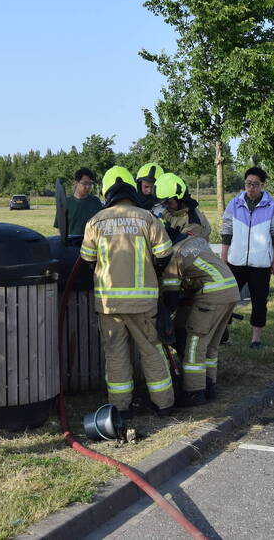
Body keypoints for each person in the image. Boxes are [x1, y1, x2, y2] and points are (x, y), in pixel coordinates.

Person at [80, 166, 175, 418]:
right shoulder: (147, 218)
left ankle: (120, 408)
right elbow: (165, 253)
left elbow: (87, 259)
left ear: (107, 191)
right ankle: (163, 404)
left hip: (109, 304)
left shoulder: (95, 221)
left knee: (115, 354)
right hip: (143, 303)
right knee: (151, 350)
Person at [161, 229, 240, 407]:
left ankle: (194, 392)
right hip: (231, 290)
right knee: (211, 345)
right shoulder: (195, 241)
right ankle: (209, 385)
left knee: (194, 345)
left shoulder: (174, 256)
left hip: (212, 296)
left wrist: (165, 318)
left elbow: (171, 299)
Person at [220, 167, 274, 349]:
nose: (251, 188)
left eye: (255, 184)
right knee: (227, 299)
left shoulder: (272, 206)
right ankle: (222, 333)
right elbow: (226, 231)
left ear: (262, 185)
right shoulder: (234, 204)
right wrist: (223, 257)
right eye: (248, 184)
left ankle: (256, 339)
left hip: (261, 263)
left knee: (259, 301)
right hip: (235, 261)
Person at [154, 172, 211, 240]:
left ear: (180, 199)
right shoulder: (177, 211)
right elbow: (171, 217)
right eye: (163, 203)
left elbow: (179, 245)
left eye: (168, 202)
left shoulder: (193, 224)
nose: (166, 206)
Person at [54, 167, 102, 236]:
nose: (88, 187)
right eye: (85, 183)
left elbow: (101, 225)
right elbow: (59, 228)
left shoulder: (96, 201)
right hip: (71, 242)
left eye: (90, 184)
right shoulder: (65, 203)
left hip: (91, 242)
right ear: (76, 183)